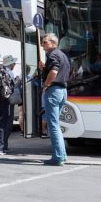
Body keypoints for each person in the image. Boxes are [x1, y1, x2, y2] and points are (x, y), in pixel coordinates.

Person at [38, 33, 70, 166]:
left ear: (53, 43)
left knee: (53, 125)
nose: (42, 45)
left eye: (45, 42)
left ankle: (58, 157)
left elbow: (54, 72)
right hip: (63, 91)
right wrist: (45, 68)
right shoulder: (62, 55)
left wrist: (46, 84)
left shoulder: (52, 55)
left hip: (54, 90)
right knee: (56, 124)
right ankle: (62, 155)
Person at [2, 54, 22, 150]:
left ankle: (0, 144)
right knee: (8, 123)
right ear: (10, 64)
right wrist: (17, 81)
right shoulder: (10, 73)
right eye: (13, 62)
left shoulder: (1, 71)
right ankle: (3, 144)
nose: (14, 64)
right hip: (9, 100)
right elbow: (12, 87)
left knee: (2, 122)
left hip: (2, 99)